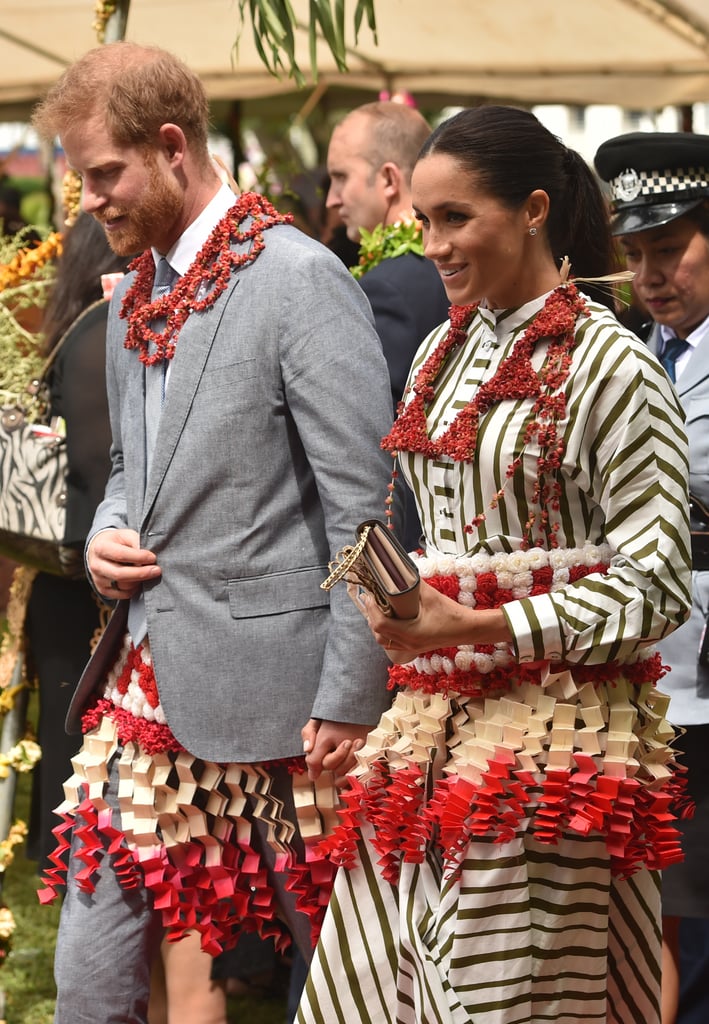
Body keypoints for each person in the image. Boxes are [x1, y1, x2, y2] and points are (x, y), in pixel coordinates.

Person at [297, 105, 693, 1024]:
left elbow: (659, 581)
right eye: (425, 221)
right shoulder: (441, 347)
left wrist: (479, 624)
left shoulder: (613, 364)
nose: (432, 244)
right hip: (426, 728)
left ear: (533, 210)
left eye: (455, 218)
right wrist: (391, 603)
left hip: (556, 738)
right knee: (375, 990)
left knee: (502, 999)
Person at [30, 40, 396, 1024]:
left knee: (352, 989)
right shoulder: (136, 293)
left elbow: (368, 506)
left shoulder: (301, 280)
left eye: (104, 173)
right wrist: (109, 536)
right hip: (142, 693)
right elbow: (125, 478)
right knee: (88, 983)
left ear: (171, 147)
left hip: (292, 711)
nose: (90, 199)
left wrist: (350, 695)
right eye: (81, 177)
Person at [594, 130, 709, 1024]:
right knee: (666, 911)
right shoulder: (647, 352)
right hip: (657, 673)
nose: (647, 274)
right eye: (634, 254)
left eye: (667, 250)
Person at [25, 211, 128, 872]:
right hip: (102, 577)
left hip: (60, 574)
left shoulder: (70, 334)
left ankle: (74, 871)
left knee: (71, 734)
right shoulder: (109, 338)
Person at [327, 101, 450, 550]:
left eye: (341, 177)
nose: (331, 199)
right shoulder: (441, 268)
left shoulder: (386, 289)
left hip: (407, 531)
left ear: (389, 180)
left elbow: (363, 435)